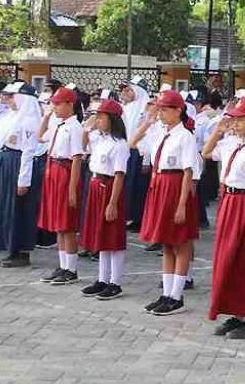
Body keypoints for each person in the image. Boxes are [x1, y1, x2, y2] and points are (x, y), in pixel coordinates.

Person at [203, 97, 245, 340]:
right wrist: (218, 131)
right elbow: (206, 152)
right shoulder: (231, 142)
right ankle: (236, 312)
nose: (236, 123)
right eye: (235, 119)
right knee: (228, 259)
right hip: (229, 202)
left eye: (241, 119)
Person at [131, 89, 199, 316]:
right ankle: (167, 293)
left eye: (164, 109)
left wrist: (182, 204)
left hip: (175, 186)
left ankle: (177, 296)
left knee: (179, 243)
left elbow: (189, 172)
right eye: (158, 108)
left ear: (178, 110)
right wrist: (148, 122)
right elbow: (133, 143)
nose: (160, 113)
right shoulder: (160, 132)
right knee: (166, 243)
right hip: (159, 185)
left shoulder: (185, 136)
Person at [76, 99, 130, 299]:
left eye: (101, 116)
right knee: (101, 235)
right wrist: (86, 129)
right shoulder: (99, 139)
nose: (97, 120)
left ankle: (115, 282)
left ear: (112, 119)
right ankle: (102, 279)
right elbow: (83, 148)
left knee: (112, 236)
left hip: (109, 188)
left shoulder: (120, 144)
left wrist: (113, 203)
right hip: (96, 185)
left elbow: (119, 175)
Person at [36, 87, 85, 283]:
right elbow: (40, 136)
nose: (54, 107)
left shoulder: (75, 127)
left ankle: (71, 269)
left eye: (57, 103)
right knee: (58, 224)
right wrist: (46, 117)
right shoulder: (59, 124)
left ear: (69, 104)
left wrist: (72, 188)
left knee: (67, 224)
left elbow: (76, 158)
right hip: (53, 171)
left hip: (65, 173)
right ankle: (62, 265)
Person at [0, 82, 41, 267]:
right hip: (6, 162)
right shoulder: (11, 116)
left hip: (18, 165)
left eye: (13, 96)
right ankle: (10, 248)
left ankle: (20, 251)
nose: (9, 100)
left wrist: (23, 180)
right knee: (6, 206)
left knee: (18, 208)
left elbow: (28, 152)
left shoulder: (29, 120)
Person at [120, 78, 151, 232]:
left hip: (141, 153)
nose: (127, 93)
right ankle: (131, 216)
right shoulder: (128, 108)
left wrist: (146, 159)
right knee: (129, 186)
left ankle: (140, 218)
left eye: (129, 90)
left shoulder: (146, 107)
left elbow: (148, 135)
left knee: (140, 187)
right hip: (129, 150)